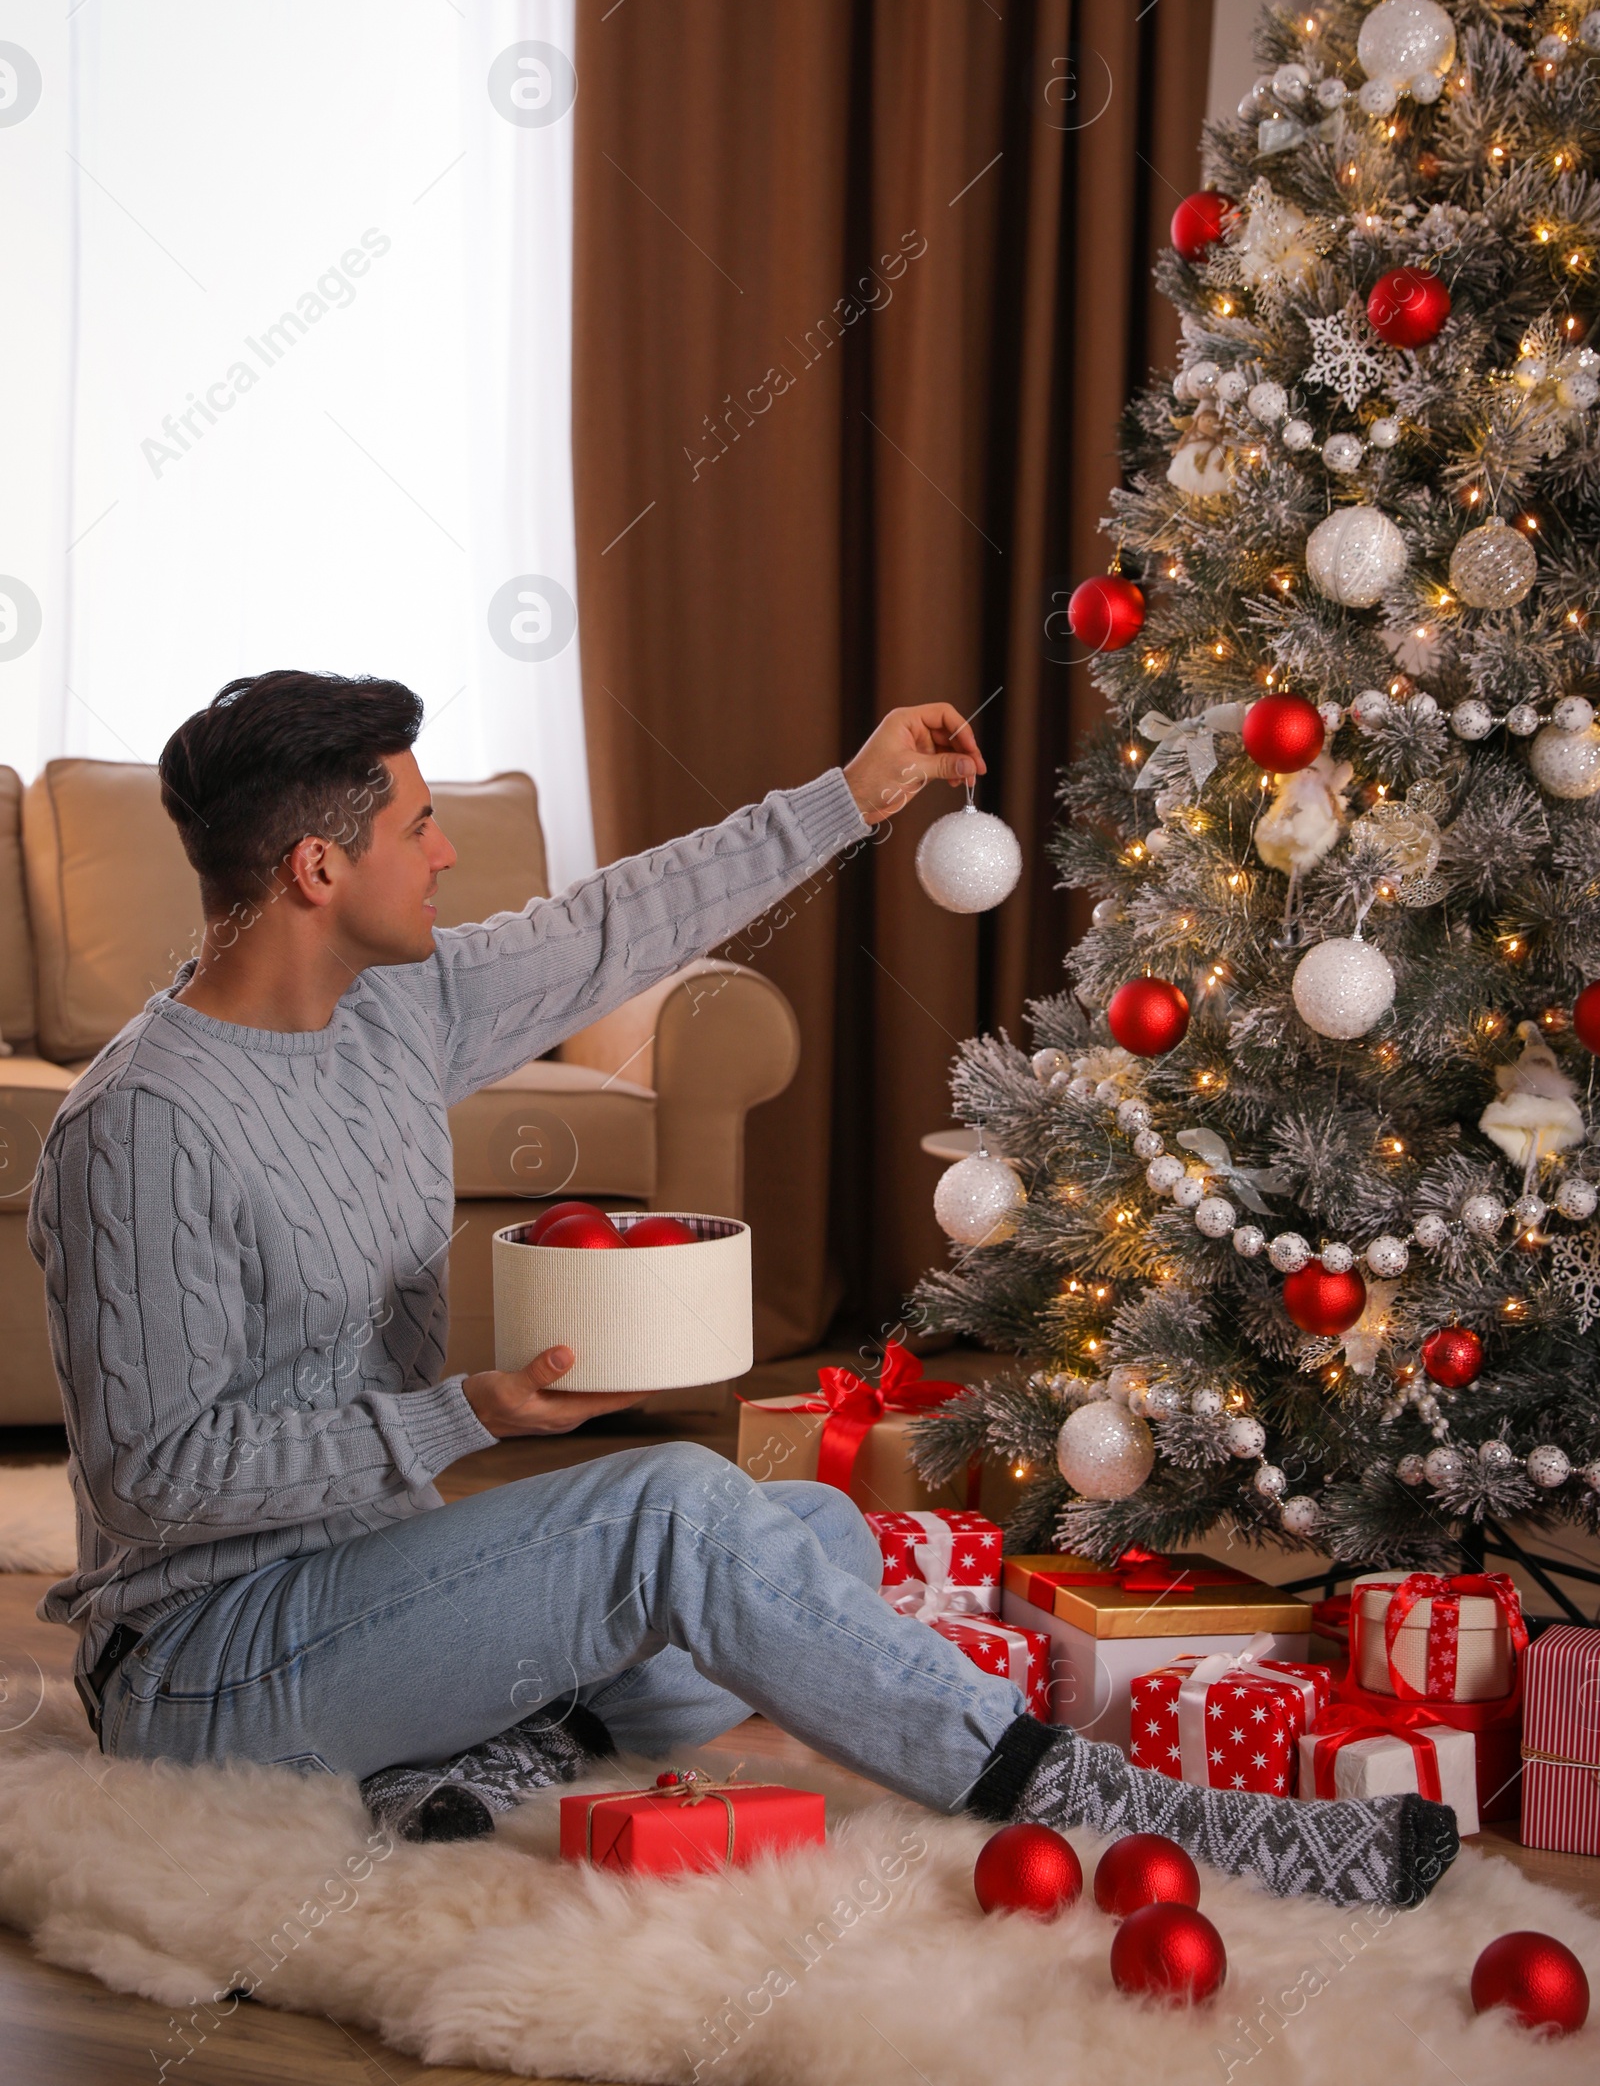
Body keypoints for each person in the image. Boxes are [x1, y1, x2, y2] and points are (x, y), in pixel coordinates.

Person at [29, 671, 1456, 1906]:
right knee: (674, 1513)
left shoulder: (391, 1006)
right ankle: (1103, 1804)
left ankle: (496, 1744)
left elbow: (614, 925)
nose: (448, 851)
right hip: (209, 1660)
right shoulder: (145, 1129)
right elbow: (157, 1481)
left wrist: (852, 796)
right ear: (315, 873)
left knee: (810, 1534)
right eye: (416, 827)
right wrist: (461, 1414)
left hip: (366, 1583)